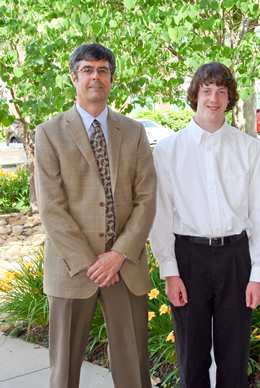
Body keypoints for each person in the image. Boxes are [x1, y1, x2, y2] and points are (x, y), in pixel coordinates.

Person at [35, 43, 156, 388]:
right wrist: (91, 261)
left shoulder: (133, 132)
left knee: (134, 369)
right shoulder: (49, 133)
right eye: (87, 70)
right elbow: (51, 208)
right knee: (64, 372)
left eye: (102, 70)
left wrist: (118, 254)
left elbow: (146, 198)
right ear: (74, 78)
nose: (95, 77)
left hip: (125, 266)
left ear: (112, 79)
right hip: (72, 267)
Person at [149, 62, 260, 388]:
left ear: (230, 98)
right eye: (207, 91)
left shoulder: (249, 149)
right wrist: (169, 270)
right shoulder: (167, 151)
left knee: (234, 356)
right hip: (188, 258)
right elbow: (160, 215)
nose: (213, 99)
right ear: (196, 95)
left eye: (221, 91)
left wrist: (257, 274)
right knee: (193, 357)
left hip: (235, 257)